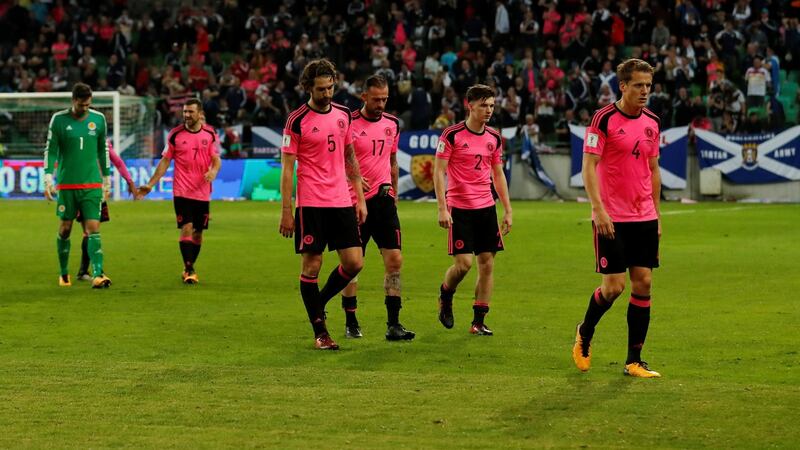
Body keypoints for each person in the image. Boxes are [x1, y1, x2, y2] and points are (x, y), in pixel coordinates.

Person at [572, 59, 663, 378]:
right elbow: (588, 166)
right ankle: (585, 331)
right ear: (623, 86)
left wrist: (657, 214)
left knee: (644, 283)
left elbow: (653, 170)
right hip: (612, 216)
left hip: (644, 216)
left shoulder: (652, 121)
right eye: (638, 85)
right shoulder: (604, 119)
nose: (645, 92)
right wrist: (597, 209)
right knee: (613, 287)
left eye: (648, 86)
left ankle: (634, 360)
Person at [279, 59, 368, 351]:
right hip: (312, 203)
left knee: (354, 262)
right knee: (312, 265)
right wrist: (287, 212)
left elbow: (350, 156)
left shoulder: (344, 114)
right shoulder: (297, 120)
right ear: (308, 88)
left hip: (341, 199)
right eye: (321, 89)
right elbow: (287, 169)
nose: (327, 94)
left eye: (330, 88)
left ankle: (319, 302)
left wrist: (360, 196)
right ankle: (320, 332)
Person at [339, 75, 415, 341]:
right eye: (376, 99)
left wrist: (394, 190)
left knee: (394, 260)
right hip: (354, 202)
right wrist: (354, 178)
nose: (381, 103)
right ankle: (351, 321)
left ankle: (393, 324)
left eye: (385, 99)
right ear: (364, 97)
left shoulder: (392, 124)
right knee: (353, 265)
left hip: (384, 201)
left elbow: (392, 160)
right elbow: (339, 159)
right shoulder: (348, 122)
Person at [433, 84, 512, 336]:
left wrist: (508, 210)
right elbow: (438, 171)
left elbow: (497, 174)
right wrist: (442, 208)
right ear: (470, 105)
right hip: (460, 209)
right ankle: (446, 293)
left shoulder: (494, 138)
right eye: (483, 106)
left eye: (491, 105)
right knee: (464, 265)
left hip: (486, 208)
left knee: (487, 265)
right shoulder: (452, 135)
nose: (488, 110)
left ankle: (478, 321)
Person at [136, 98, 222, 284]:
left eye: (190, 112)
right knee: (187, 227)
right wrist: (150, 184)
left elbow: (216, 158)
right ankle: (190, 270)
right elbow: (165, 161)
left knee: (198, 233)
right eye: (184, 112)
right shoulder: (175, 135)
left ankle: (187, 266)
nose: (186, 115)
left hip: (202, 191)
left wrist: (213, 171)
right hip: (182, 191)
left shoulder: (210, 133)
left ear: (200, 114)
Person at [43, 82, 112, 288]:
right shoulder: (59, 120)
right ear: (74, 101)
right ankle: (64, 273)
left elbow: (103, 150)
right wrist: (48, 177)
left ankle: (98, 274)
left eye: (88, 105)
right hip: (66, 185)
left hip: (91, 184)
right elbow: (51, 150)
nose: (86, 109)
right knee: (65, 228)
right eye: (82, 105)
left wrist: (107, 178)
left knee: (93, 228)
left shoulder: (98, 120)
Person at [76, 140, 136, 281]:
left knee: (91, 232)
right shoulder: (82, 140)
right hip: (83, 190)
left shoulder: (104, 143)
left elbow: (118, 162)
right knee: (89, 232)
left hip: (98, 192)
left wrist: (129, 181)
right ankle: (95, 271)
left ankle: (84, 271)